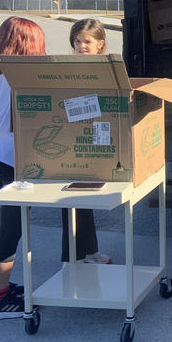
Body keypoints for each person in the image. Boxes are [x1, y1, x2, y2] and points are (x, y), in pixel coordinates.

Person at [0, 17, 46, 320]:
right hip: (15, 162)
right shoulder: (22, 82)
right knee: (12, 231)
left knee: (0, 226)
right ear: (29, 48)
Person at [60, 19, 113, 266]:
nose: (81, 46)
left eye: (87, 42)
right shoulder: (66, 67)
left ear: (100, 44)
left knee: (87, 198)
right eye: (77, 41)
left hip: (98, 139)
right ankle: (72, 258)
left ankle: (90, 251)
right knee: (69, 201)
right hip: (73, 142)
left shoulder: (108, 67)